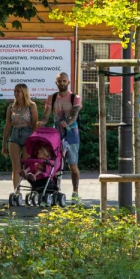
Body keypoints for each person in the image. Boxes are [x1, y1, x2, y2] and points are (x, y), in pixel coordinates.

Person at [43, 72, 82, 201]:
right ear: (56, 83)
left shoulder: (75, 97)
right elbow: (46, 115)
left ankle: (75, 192)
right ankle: (55, 190)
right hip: (56, 135)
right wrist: (41, 122)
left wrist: (68, 122)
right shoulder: (52, 98)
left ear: (68, 82)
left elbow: (74, 115)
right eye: (59, 81)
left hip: (72, 134)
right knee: (55, 164)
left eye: (64, 81)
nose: (62, 83)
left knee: (72, 164)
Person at [1, 83, 37, 194]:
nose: (16, 93)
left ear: (24, 92)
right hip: (15, 135)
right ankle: (17, 192)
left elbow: (34, 125)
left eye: (18, 91)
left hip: (27, 135)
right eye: (15, 91)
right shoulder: (11, 107)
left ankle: (34, 190)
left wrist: (34, 141)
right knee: (16, 166)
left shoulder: (31, 106)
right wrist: (4, 144)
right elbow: (8, 125)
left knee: (26, 166)